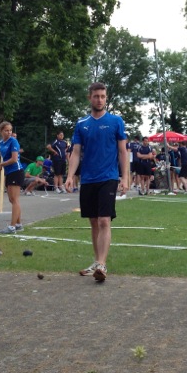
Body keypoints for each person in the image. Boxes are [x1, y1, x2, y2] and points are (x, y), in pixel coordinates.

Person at [65, 82, 129, 283]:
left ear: (106, 98)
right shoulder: (81, 124)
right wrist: (70, 176)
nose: (99, 100)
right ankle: (96, 261)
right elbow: (76, 152)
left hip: (108, 177)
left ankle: (102, 264)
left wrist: (125, 177)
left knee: (104, 220)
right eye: (96, 96)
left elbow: (123, 152)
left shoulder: (116, 121)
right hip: (88, 178)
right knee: (93, 221)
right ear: (89, 98)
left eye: (102, 96)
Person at [0, 122, 25, 233]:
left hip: (16, 171)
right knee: (12, 199)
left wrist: (1, 164)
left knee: (15, 200)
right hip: (9, 172)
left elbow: (14, 159)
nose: (9, 132)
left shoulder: (13, 141)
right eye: (6, 130)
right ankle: (19, 224)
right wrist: (1, 166)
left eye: (10, 130)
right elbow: (5, 157)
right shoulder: (0, 143)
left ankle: (12, 227)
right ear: (1, 131)